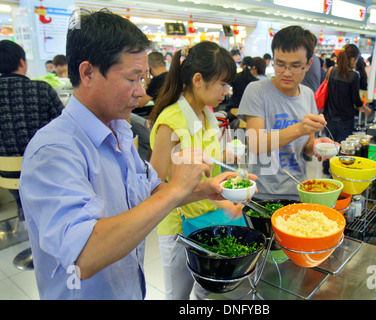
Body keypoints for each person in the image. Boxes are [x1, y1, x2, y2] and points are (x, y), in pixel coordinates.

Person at [18, 9, 237, 300]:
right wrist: (174, 192)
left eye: (143, 78)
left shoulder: (118, 131)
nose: (141, 92)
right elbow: (85, 253)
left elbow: (151, 190)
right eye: (132, 79)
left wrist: (206, 190)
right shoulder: (54, 150)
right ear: (88, 73)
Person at [148, 41, 248, 300]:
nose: (227, 92)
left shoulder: (207, 114)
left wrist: (229, 169)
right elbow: (154, 188)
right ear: (198, 80)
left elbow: (206, 164)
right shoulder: (171, 122)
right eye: (222, 84)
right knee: (178, 295)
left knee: (206, 290)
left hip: (209, 216)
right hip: (178, 227)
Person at [237, 25, 334, 200]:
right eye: (280, 64)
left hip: (299, 190)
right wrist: (299, 128)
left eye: (296, 66)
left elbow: (307, 147)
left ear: (309, 64)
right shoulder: (257, 90)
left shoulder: (307, 95)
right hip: (262, 194)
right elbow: (255, 144)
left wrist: (317, 146)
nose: (286, 73)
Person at [0, 40, 64, 219]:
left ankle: (24, 209)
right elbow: (64, 124)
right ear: (22, 62)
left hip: (5, 172)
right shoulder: (42, 89)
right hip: (44, 167)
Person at [321, 44, 372, 175]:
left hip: (329, 117)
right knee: (342, 148)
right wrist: (365, 108)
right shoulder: (353, 76)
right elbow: (355, 99)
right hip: (345, 119)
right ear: (352, 59)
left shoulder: (331, 71)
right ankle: (337, 173)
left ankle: (327, 170)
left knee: (330, 146)